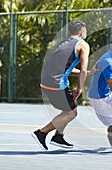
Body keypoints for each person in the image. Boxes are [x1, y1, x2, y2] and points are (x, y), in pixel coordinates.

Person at [32, 20, 98, 150]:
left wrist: (88, 73)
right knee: (72, 113)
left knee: (68, 108)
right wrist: (80, 88)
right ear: (81, 32)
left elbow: (65, 68)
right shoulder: (83, 45)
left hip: (46, 81)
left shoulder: (64, 43)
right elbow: (83, 69)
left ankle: (58, 136)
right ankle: (42, 133)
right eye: (85, 31)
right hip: (57, 83)